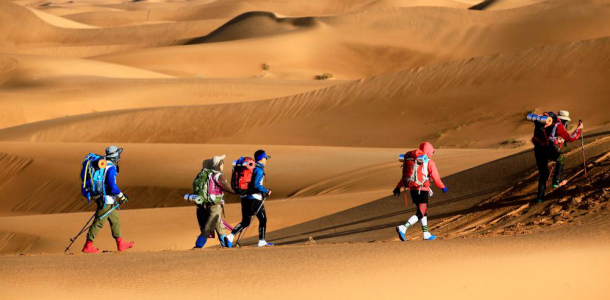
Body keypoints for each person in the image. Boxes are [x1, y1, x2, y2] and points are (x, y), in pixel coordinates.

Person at [82, 146, 134, 253]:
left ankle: (121, 243)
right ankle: (88, 245)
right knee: (99, 221)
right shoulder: (111, 168)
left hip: (105, 198)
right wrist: (122, 196)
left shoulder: (104, 165)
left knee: (115, 220)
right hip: (106, 199)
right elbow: (112, 187)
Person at [393, 142, 447, 241]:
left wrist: (398, 186)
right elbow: (436, 178)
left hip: (413, 189)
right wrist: (443, 187)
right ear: (429, 151)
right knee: (421, 213)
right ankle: (403, 227)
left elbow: (408, 174)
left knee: (423, 211)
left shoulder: (414, 160)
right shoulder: (429, 162)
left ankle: (426, 233)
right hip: (422, 190)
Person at [531, 110, 583, 203]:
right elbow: (570, 138)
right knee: (561, 159)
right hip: (547, 149)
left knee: (544, 174)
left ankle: (540, 197)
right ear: (564, 120)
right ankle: (556, 182)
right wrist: (579, 129)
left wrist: (556, 141)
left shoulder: (546, 122)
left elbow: (546, 137)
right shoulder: (558, 125)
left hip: (538, 150)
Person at [226, 150, 273, 247]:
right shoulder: (259, 170)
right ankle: (261, 241)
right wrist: (266, 191)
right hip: (255, 198)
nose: (266, 160)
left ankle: (230, 236)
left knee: (245, 221)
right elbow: (256, 185)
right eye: (265, 158)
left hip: (244, 198)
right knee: (263, 219)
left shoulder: (251, 167)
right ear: (261, 159)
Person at [190, 155, 235, 249]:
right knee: (207, 228)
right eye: (222, 163)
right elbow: (230, 189)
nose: (223, 164)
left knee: (220, 228)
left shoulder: (203, 175)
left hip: (205, 204)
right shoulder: (219, 176)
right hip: (215, 206)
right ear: (219, 164)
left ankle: (228, 247)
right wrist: (241, 191)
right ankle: (198, 247)